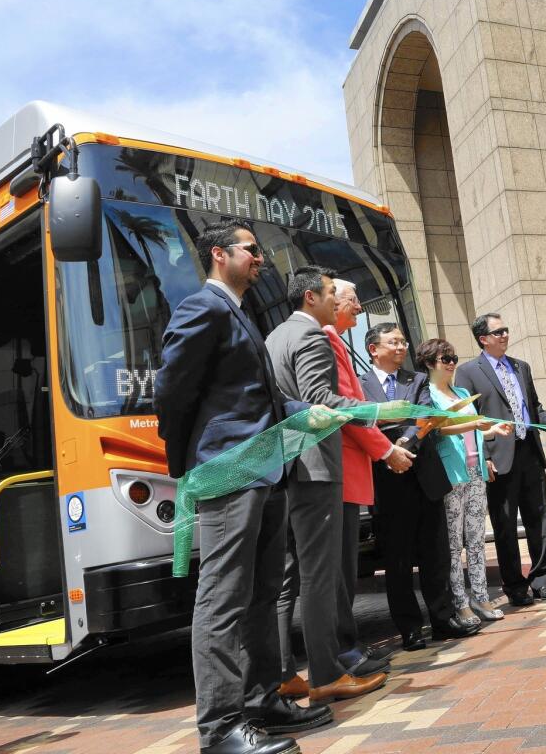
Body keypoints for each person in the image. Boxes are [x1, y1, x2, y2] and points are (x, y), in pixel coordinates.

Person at [155, 221, 333, 754]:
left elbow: (261, 400)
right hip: (230, 471)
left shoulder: (240, 313)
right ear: (219, 255)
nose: (260, 259)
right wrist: (197, 459)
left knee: (260, 595)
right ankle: (219, 729)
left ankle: (261, 703)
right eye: (251, 250)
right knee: (223, 599)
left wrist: (305, 411)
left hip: (264, 468)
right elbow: (171, 391)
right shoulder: (202, 308)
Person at [265, 267, 390, 704]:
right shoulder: (312, 337)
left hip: (285, 467)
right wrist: (382, 410)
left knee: (286, 579)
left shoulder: (274, 337)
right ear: (311, 298)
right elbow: (323, 400)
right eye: (330, 293)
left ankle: (283, 672)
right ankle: (325, 673)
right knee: (319, 577)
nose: (335, 300)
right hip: (315, 467)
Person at [358, 323, 476, 651]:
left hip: (424, 476)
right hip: (387, 481)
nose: (400, 347)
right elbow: (364, 424)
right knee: (397, 561)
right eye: (393, 342)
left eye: (402, 342)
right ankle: (409, 629)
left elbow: (426, 417)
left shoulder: (418, 380)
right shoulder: (359, 385)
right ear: (373, 349)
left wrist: (406, 440)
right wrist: (390, 448)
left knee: (434, 554)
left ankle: (442, 620)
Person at [320, 280, 410, 683]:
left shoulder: (336, 340)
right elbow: (347, 409)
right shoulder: (324, 339)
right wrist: (386, 449)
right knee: (334, 575)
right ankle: (341, 653)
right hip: (335, 471)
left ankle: (348, 647)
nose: (359, 307)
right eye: (353, 299)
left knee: (342, 573)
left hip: (348, 473)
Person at [455, 313, 546, 605]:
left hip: (530, 452)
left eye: (506, 330)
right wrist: (484, 456)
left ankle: (542, 581)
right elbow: (470, 419)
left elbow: (534, 406)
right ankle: (515, 587)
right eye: (498, 331)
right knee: (505, 526)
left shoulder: (521, 367)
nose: (504, 335)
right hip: (499, 458)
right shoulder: (468, 372)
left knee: (538, 521)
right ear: (483, 339)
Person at [417, 338, 510, 625]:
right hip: (451, 474)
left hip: (475, 472)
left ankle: (480, 597)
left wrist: (491, 429)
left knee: (477, 539)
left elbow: (475, 432)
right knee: (454, 543)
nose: (452, 364)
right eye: (446, 359)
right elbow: (439, 431)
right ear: (431, 363)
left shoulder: (461, 392)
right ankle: (460, 602)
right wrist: (476, 424)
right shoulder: (429, 395)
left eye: (454, 358)